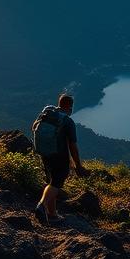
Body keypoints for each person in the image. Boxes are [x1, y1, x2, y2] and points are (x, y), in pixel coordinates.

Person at [33, 94, 88, 225]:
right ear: (70, 106)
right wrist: (78, 165)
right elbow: (72, 145)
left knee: (51, 183)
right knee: (56, 183)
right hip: (59, 156)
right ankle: (41, 206)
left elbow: (34, 127)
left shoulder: (47, 113)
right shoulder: (67, 122)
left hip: (45, 153)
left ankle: (52, 215)